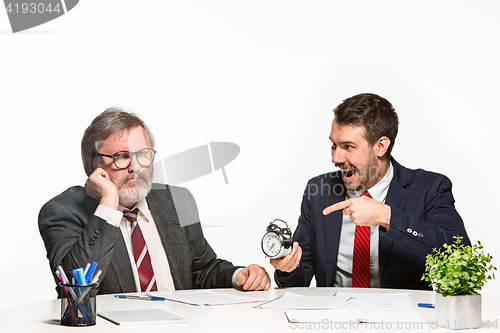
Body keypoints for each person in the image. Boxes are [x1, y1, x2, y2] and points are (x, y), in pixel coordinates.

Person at [39, 107, 270, 295]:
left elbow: (202, 270)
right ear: (92, 165)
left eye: (143, 154)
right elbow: (75, 289)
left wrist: (238, 276)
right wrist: (108, 203)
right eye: (121, 157)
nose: (135, 167)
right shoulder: (62, 211)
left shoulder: (177, 200)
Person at [271, 93, 470, 290]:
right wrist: (288, 268)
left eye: (348, 146)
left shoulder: (429, 188)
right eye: (334, 145)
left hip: (400, 319)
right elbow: (300, 278)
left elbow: (459, 254)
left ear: (381, 147)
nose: (336, 158)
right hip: (333, 317)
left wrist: (386, 216)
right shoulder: (318, 190)